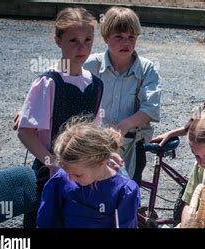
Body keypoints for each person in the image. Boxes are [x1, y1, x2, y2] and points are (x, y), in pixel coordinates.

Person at [17, 7, 103, 228]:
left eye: (88, 40)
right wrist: (52, 163)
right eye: (73, 40)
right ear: (58, 40)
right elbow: (26, 132)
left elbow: (94, 132)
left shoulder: (96, 84)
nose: (82, 47)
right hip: (51, 172)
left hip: (82, 174)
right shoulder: (48, 82)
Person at [83, 6, 161, 186]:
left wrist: (124, 126)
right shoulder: (91, 64)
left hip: (132, 144)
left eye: (131, 37)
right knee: (92, 191)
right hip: (95, 143)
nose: (125, 43)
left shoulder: (147, 69)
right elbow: (59, 74)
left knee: (125, 193)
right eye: (119, 37)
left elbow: (151, 108)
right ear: (105, 37)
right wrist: (31, 107)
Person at [37, 119, 140, 228]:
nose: (71, 179)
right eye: (67, 173)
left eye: (78, 175)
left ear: (101, 162)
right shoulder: (61, 180)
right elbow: (46, 221)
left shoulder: (123, 191)